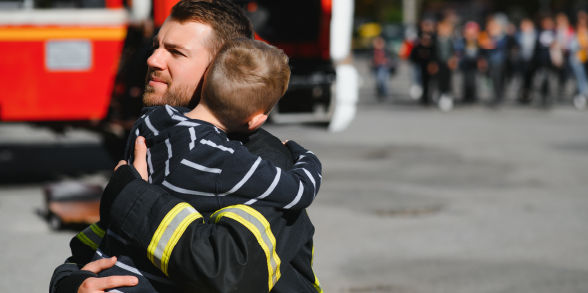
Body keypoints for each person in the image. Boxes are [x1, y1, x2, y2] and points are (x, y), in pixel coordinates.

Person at [50, 1, 323, 292]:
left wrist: (132, 195)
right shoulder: (159, 133)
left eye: (176, 52)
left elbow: (230, 273)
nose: (153, 59)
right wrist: (70, 281)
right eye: (157, 46)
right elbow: (111, 237)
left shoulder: (260, 161)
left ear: (220, 67)